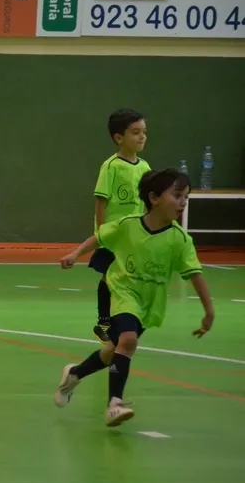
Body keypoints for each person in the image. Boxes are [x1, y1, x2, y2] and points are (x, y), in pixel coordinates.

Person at [54, 168, 214, 427]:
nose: (183, 202)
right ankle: (114, 404)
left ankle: (74, 374)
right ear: (154, 198)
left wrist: (209, 310)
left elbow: (195, 274)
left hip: (148, 304)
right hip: (121, 291)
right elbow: (99, 237)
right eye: (177, 195)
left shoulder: (180, 240)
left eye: (186, 197)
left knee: (113, 351)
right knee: (128, 341)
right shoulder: (128, 225)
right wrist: (75, 254)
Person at [89, 108, 151, 342]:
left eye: (144, 132)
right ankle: (103, 322)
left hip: (135, 237)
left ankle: (122, 320)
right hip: (114, 236)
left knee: (129, 279)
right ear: (118, 138)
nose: (142, 137)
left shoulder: (144, 168)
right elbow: (101, 201)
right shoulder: (111, 166)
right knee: (110, 277)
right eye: (135, 132)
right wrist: (102, 232)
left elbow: (148, 202)